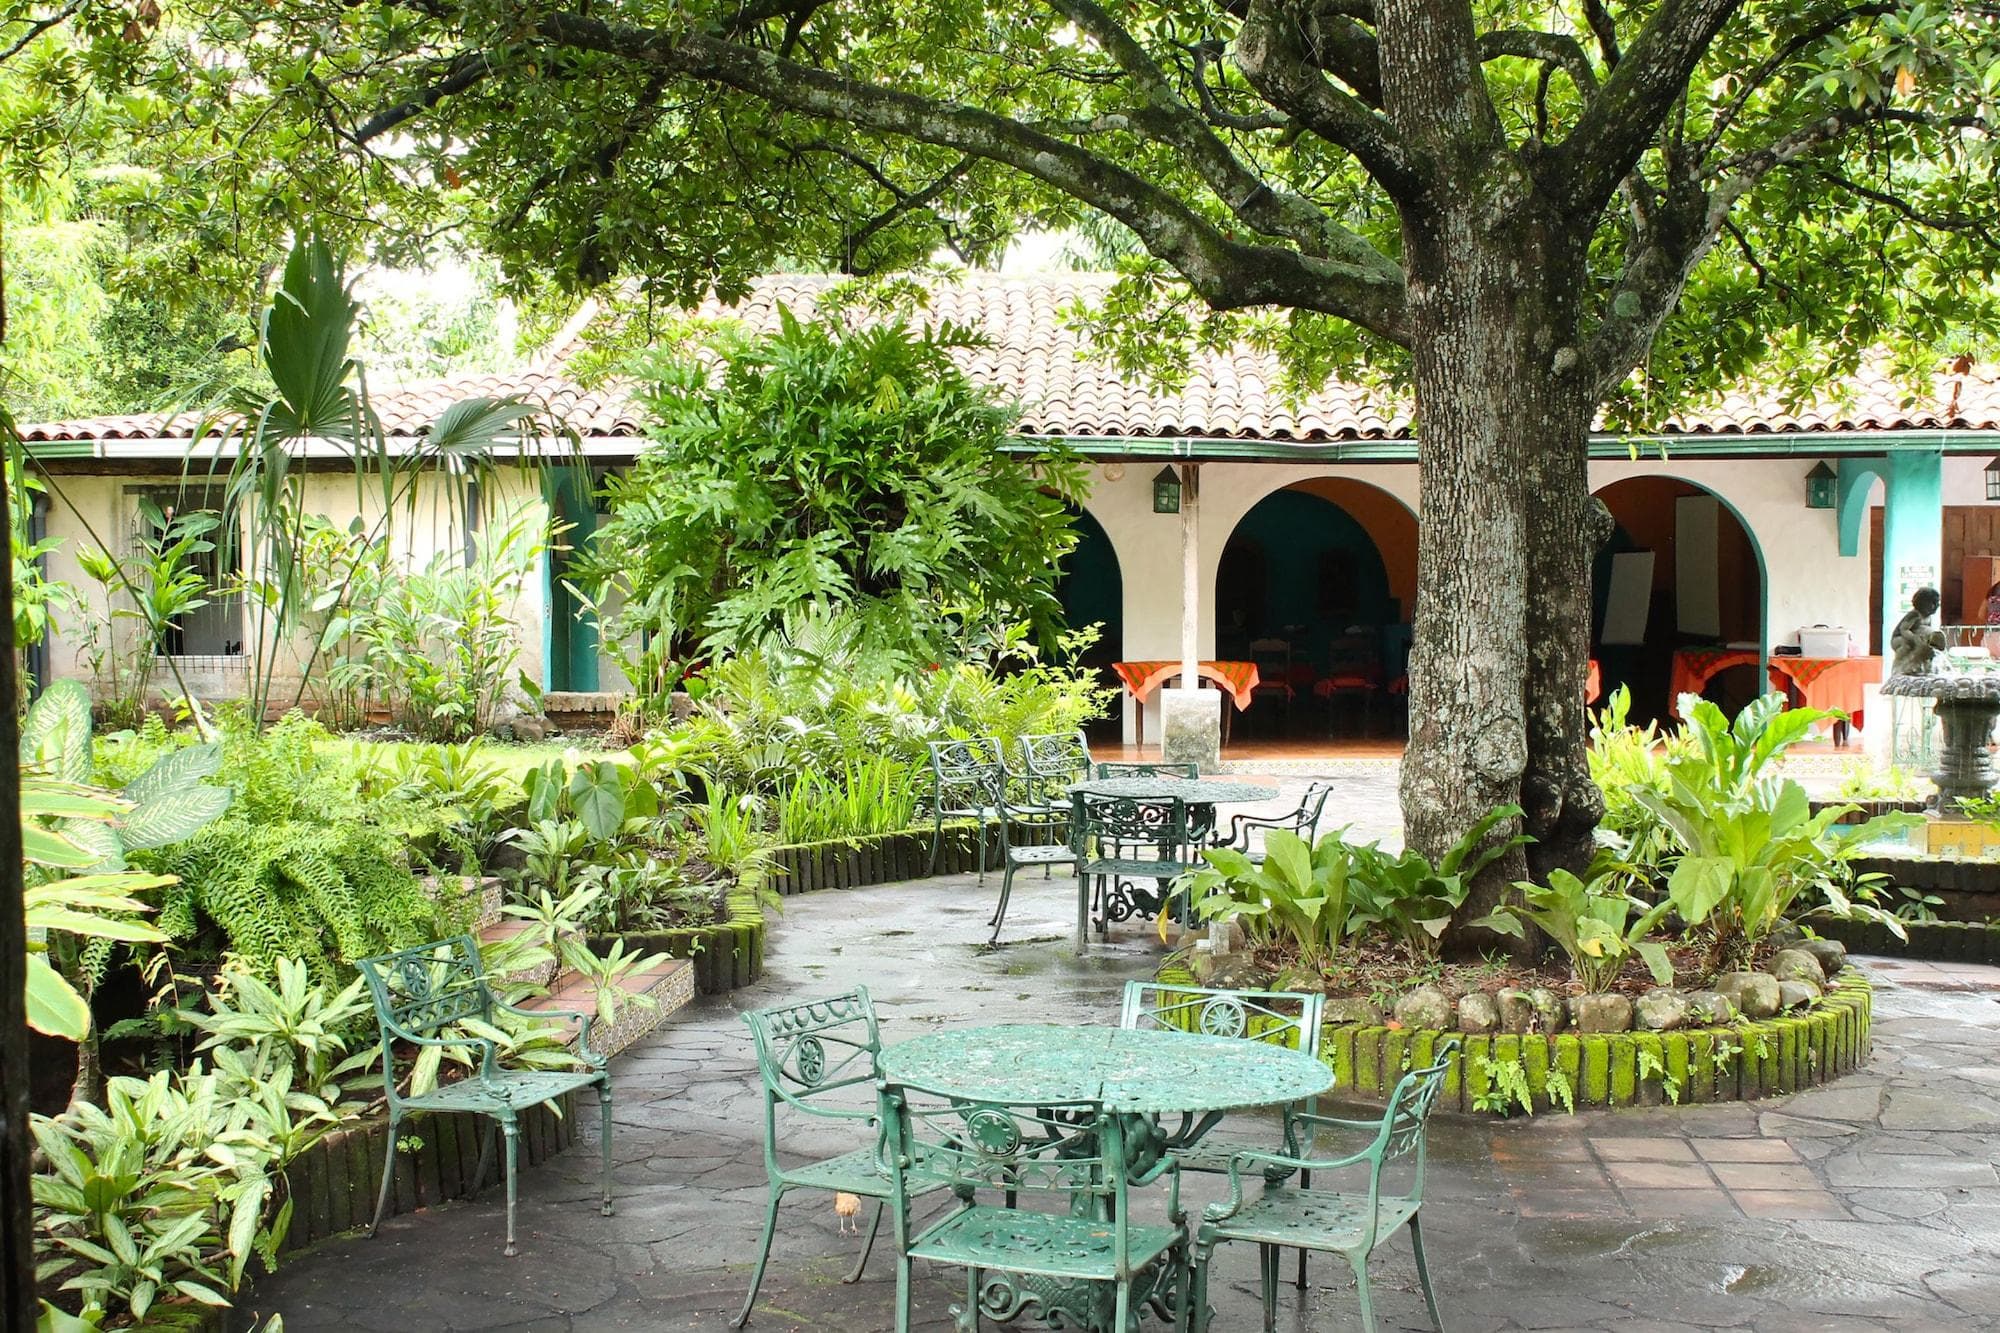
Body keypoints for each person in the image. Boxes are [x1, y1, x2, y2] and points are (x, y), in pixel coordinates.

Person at [1890, 586, 1947, 677]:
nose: (1936, 606)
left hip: (1915, 638)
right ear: (1923, 603)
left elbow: (1927, 630)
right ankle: (1903, 667)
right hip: (1899, 638)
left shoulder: (1928, 617)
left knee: (1926, 648)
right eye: (1933, 603)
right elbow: (1904, 629)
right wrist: (1914, 639)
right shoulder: (1915, 615)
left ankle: (1924, 667)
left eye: (1937, 603)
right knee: (1906, 647)